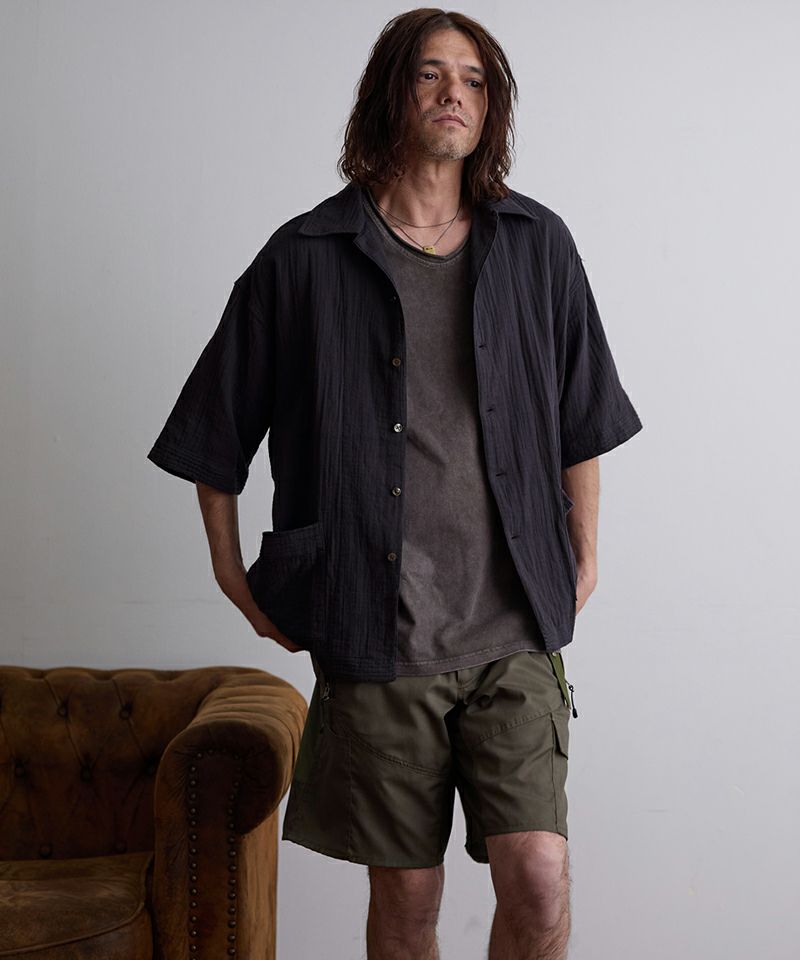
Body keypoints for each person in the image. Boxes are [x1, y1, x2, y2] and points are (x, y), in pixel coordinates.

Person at [147, 9, 643, 959]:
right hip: (378, 632)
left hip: (513, 625)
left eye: (475, 79)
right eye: (430, 74)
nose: (455, 93)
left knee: (539, 876)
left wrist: (585, 552)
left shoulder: (536, 243)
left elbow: (585, 414)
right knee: (408, 900)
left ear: (491, 108)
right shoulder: (305, 256)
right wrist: (233, 579)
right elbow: (213, 430)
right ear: (391, 93)